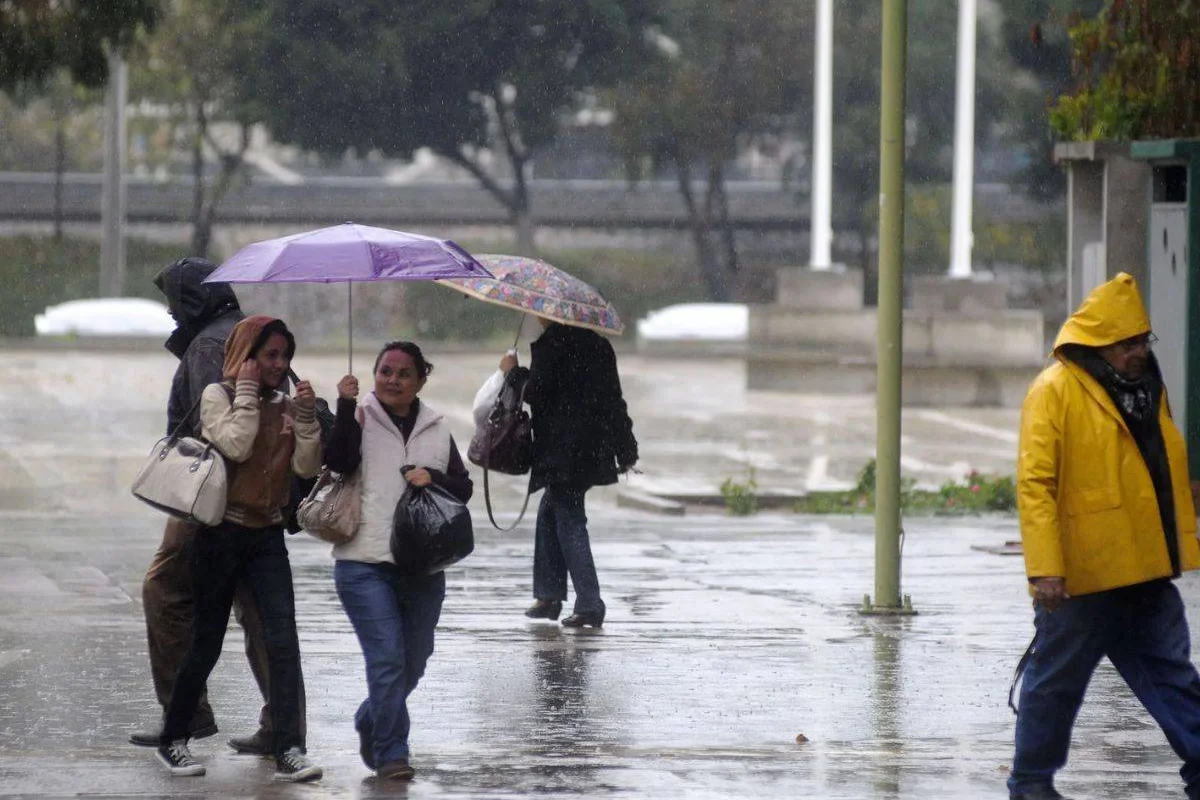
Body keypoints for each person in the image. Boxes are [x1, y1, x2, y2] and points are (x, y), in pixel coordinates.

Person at [1010, 272, 1200, 800]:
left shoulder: (1144, 390)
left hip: (1142, 570)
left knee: (1172, 677)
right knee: (1054, 686)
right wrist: (1046, 568)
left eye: (1143, 341)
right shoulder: (1055, 391)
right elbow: (1036, 484)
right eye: (1128, 343)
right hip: (1081, 578)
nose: (1139, 351)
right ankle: (1030, 785)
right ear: (1100, 343)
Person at [132, 257, 300, 755]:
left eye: (173, 300)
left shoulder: (211, 344)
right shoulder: (237, 332)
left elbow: (220, 437)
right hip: (251, 502)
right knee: (264, 621)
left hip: (215, 501)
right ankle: (282, 728)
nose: (169, 312)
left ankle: (186, 717)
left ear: (190, 300)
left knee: (167, 591)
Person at [154, 315, 322, 782]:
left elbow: (307, 467)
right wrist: (247, 395)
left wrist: (306, 419)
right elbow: (236, 446)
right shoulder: (218, 396)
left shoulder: (287, 406)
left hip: (267, 537)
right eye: (269, 355)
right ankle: (174, 739)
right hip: (221, 534)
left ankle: (290, 748)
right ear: (245, 355)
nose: (279, 364)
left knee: (283, 642)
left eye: (285, 356)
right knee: (206, 641)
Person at [324, 341, 473, 780]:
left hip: (423, 567)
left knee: (415, 658)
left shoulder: (436, 427)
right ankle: (392, 753)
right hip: (363, 562)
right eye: (385, 371)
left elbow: (462, 489)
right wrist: (345, 403)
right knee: (387, 659)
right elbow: (336, 463)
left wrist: (436, 478)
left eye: (403, 373)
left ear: (421, 380)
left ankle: (372, 717)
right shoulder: (357, 416)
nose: (393, 380)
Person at [500, 318, 637, 628]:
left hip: (562, 452)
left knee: (569, 519)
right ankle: (548, 596)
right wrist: (626, 447)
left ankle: (589, 603)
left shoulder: (552, 345)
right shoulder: (599, 345)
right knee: (551, 510)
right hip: (592, 450)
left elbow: (536, 392)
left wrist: (512, 371)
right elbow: (614, 399)